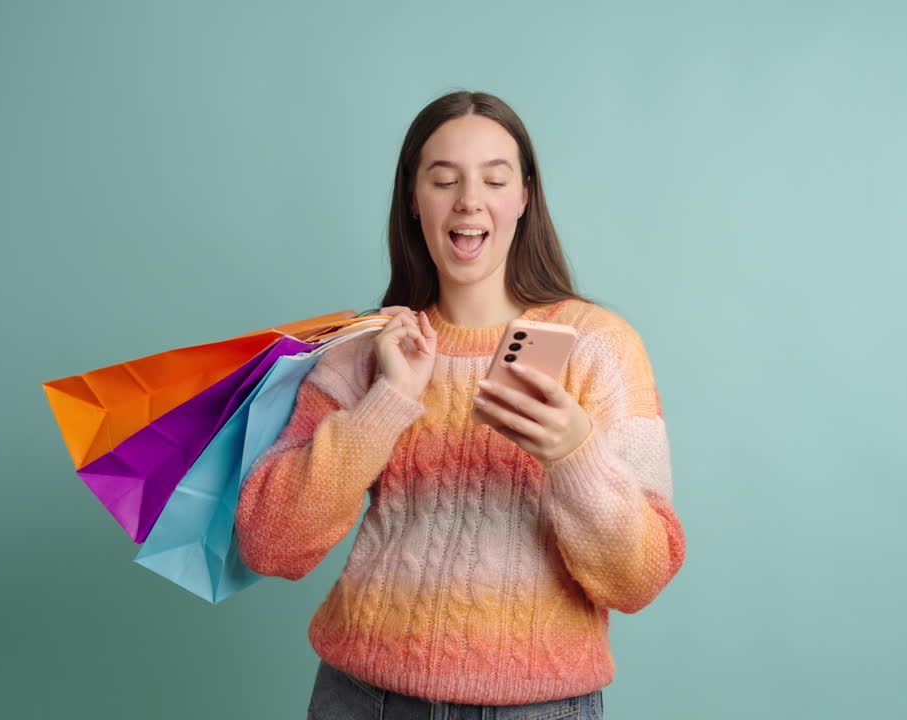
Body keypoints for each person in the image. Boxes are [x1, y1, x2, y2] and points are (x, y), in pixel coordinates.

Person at [235, 90, 686, 720]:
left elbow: (639, 580)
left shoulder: (599, 347)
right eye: (444, 180)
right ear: (413, 199)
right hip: (363, 698)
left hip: (539, 707)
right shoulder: (367, 349)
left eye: (494, 180)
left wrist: (574, 454)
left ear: (524, 197)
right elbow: (269, 543)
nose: (469, 200)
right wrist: (388, 402)